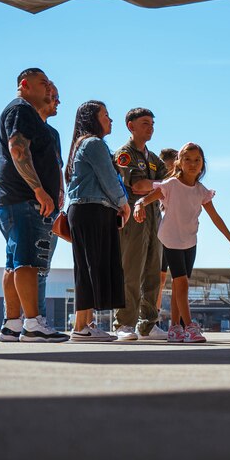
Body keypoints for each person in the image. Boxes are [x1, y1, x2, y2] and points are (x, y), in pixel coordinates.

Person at [133, 142, 230, 343]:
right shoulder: (171, 184)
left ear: (202, 164)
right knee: (182, 283)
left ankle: (174, 328)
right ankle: (188, 326)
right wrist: (139, 205)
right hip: (170, 238)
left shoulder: (201, 191)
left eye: (197, 160)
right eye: (188, 159)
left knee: (180, 286)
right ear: (179, 162)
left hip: (189, 240)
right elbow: (147, 198)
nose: (192, 164)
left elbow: (216, 217)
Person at [0, 68, 68, 342]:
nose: (48, 89)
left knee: (14, 263)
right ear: (24, 85)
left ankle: (12, 325)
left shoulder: (20, 114)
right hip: (25, 202)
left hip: (14, 200)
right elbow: (16, 148)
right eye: (43, 83)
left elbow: (0, 162)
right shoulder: (21, 110)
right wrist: (38, 189)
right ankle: (33, 324)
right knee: (27, 263)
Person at [64, 100, 131, 342]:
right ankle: (82, 327)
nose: (110, 120)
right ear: (93, 118)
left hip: (87, 211)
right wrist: (124, 204)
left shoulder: (82, 145)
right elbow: (109, 179)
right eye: (105, 115)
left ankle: (85, 324)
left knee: (88, 266)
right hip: (92, 210)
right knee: (91, 267)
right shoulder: (93, 143)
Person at [111, 109, 169, 342]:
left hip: (154, 218)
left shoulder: (153, 159)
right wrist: (159, 185)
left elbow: (163, 185)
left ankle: (148, 324)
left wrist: (157, 185)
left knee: (153, 273)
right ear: (130, 126)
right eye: (145, 123)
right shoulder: (125, 154)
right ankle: (124, 322)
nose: (150, 127)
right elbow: (137, 185)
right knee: (131, 271)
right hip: (133, 219)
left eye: (152, 123)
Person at [155, 147, 178, 319]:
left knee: (165, 279)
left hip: (172, 234)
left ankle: (158, 317)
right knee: (156, 278)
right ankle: (149, 317)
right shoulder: (157, 185)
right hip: (155, 232)